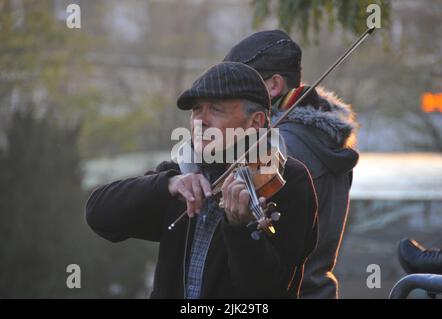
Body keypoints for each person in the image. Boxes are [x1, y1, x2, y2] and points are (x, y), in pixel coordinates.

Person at [85, 61, 318, 298]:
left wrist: (241, 229)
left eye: (215, 110)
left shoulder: (289, 181)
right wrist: (167, 184)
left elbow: (267, 291)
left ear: (256, 122)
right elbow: (99, 215)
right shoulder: (182, 173)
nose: (200, 121)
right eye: (196, 109)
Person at [224, 30, 359, 298]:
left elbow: (255, 246)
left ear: (273, 86)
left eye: (239, 88)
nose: (230, 100)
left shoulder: (280, 147)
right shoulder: (325, 141)